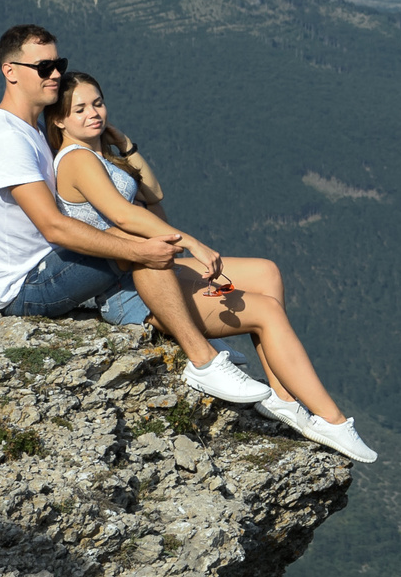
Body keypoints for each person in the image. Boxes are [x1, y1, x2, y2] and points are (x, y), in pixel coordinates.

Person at [47, 71, 376, 463]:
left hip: (151, 268)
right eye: (79, 109)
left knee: (266, 273)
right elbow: (124, 215)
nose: (93, 114)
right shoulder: (78, 160)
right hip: (130, 288)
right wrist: (192, 243)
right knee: (266, 311)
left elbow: (154, 194)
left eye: (97, 103)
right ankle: (331, 420)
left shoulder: (99, 155)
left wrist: (125, 144)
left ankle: (283, 398)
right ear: (59, 120)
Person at [0, 24, 272, 408]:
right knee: (140, 245)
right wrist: (141, 249)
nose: (55, 73)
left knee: (137, 240)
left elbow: (146, 197)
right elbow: (53, 225)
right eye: (43, 67)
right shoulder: (5, 138)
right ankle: (203, 361)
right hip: (25, 286)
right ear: (10, 72)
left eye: (59, 63)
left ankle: (205, 340)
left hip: (50, 266)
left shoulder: (31, 131)